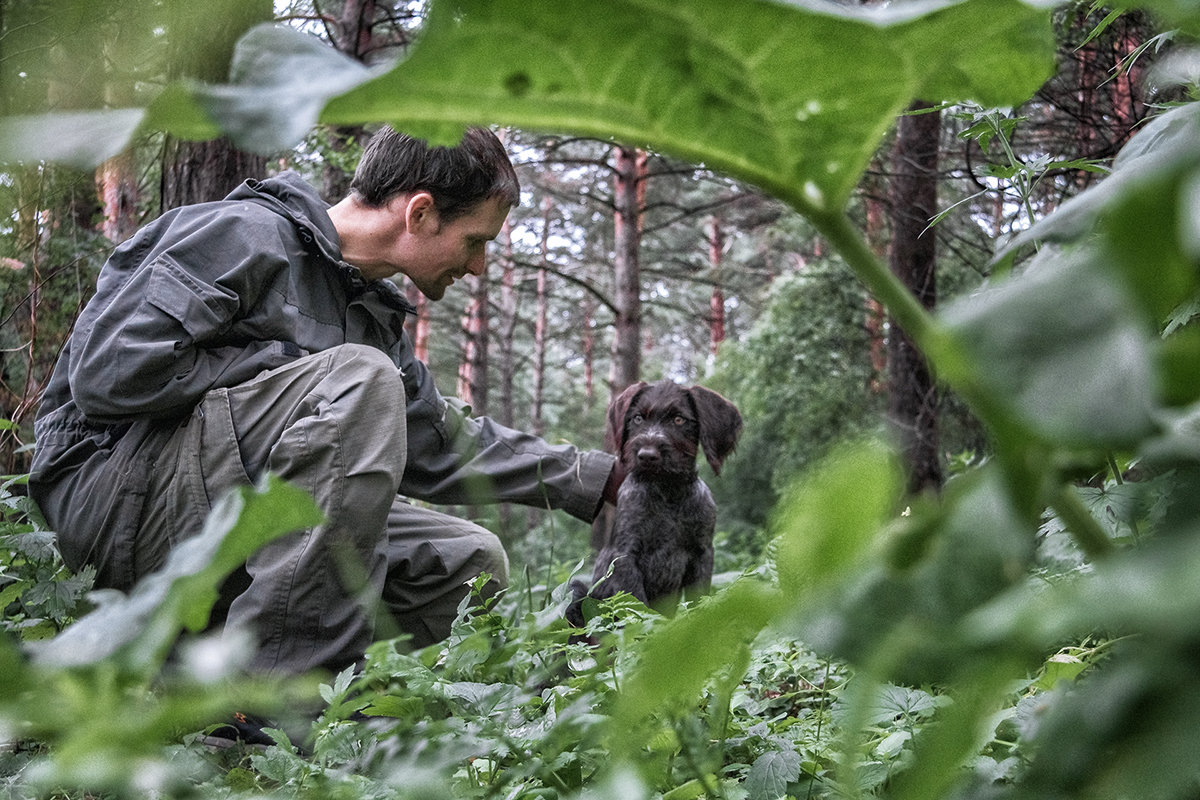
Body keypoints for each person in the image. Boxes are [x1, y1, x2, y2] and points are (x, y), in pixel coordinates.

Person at [28, 126, 620, 679]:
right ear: (420, 212)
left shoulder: (370, 317)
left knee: (464, 558)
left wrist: (596, 479)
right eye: (475, 242)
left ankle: (334, 707)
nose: (478, 266)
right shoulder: (242, 234)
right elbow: (109, 374)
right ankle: (271, 710)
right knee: (362, 379)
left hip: (217, 510)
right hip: (116, 497)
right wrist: (283, 366)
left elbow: (439, 445)